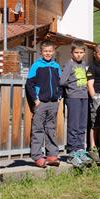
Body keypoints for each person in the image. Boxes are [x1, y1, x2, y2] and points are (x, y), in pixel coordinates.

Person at [26, 40, 63, 168]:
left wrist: (59, 97)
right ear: (41, 52)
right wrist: (35, 100)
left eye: (50, 51)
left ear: (53, 52)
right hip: (41, 103)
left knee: (51, 129)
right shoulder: (36, 66)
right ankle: (37, 156)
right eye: (45, 51)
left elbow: (60, 83)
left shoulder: (56, 66)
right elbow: (29, 84)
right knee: (38, 129)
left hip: (53, 103)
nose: (48, 53)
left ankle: (52, 155)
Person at [60, 40, 92, 169]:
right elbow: (62, 81)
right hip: (73, 97)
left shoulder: (84, 64)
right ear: (72, 53)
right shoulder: (69, 64)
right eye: (76, 52)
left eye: (81, 52)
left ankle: (80, 150)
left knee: (82, 125)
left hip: (84, 97)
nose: (78, 55)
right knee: (73, 125)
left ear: (84, 53)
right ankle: (72, 152)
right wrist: (71, 87)